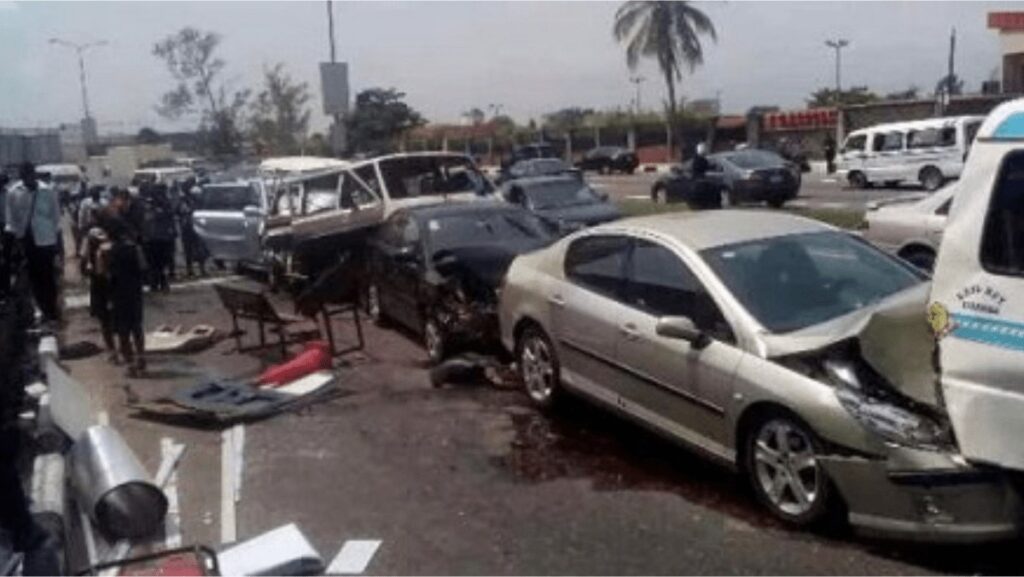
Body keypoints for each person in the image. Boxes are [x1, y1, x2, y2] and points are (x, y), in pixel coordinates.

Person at [4, 162, 61, 324]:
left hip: (46, 240)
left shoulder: (47, 191)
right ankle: (41, 309)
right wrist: (16, 238)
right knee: (34, 278)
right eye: (24, 175)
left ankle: (51, 310)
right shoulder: (14, 192)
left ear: (34, 174)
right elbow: (11, 218)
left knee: (48, 276)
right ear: (21, 176)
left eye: (29, 174)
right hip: (27, 241)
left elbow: (55, 215)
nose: (27, 178)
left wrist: (53, 237)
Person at [106, 218, 146, 376]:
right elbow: (143, 267)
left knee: (123, 330)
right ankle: (141, 357)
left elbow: (108, 274)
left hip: (118, 293)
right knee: (137, 326)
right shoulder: (135, 248)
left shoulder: (110, 251)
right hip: (134, 291)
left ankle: (130, 364)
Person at [80, 222, 116, 358]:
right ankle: (119, 349)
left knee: (105, 321)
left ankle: (112, 349)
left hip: (100, 287)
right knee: (113, 320)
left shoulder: (90, 243)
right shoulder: (110, 244)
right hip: (110, 287)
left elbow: (84, 268)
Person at [142, 184, 176, 292]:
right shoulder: (150, 204)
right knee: (157, 262)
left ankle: (159, 282)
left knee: (158, 262)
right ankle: (158, 282)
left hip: (159, 237)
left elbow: (170, 217)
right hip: (156, 238)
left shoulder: (164, 204)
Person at [177, 187, 207, 277]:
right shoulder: (185, 203)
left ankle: (200, 268)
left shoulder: (199, 203)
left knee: (199, 249)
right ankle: (191, 269)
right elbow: (179, 212)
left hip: (195, 228)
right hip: (188, 228)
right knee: (189, 250)